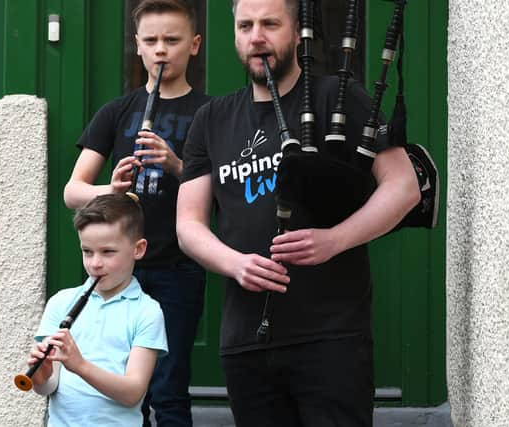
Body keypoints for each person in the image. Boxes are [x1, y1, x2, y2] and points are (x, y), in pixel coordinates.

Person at [176, 0, 421, 426]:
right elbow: (188, 224)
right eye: (246, 25)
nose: (256, 36)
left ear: (296, 32)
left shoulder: (336, 98)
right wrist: (235, 264)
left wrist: (335, 239)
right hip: (246, 339)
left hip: (331, 335)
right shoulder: (211, 119)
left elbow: (404, 187)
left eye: (270, 24)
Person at [63, 1, 209, 425]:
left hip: (179, 268)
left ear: (194, 45)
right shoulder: (118, 111)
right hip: (119, 269)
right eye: (151, 41)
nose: (161, 50)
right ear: (138, 47)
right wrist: (114, 187)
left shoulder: (209, 113)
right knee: (121, 383)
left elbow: (220, 193)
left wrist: (176, 165)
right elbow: (74, 192)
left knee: (168, 385)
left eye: (172, 40)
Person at [28, 193, 168, 426]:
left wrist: (81, 366)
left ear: (139, 249)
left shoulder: (147, 312)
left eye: (108, 252)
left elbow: (133, 393)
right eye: (87, 251)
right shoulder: (61, 303)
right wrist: (41, 375)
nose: (95, 263)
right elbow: (49, 386)